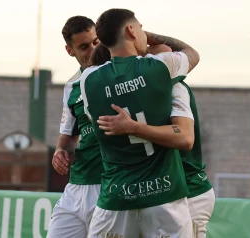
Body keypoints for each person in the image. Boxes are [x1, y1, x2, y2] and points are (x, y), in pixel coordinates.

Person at [80, 8, 200, 238]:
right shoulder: (161, 67)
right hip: (164, 196)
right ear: (131, 30)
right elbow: (191, 53)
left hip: (116, 198)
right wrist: (155, 38)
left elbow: (91, 117)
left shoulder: (88, 80)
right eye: (141, 28)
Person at [94, 44, 215, 238]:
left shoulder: (175, 88)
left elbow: (185, 138)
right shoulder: (142, 90)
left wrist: (133, 127)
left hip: (188, 189)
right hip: (158, 191)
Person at [46, 16, 103, 238]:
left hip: (108, 184)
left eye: (96, 42)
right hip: (76, 186)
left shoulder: (116, 75)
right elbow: (68, 137)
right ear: (70, 51)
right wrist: (60, 152)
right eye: (84, 46)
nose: (93, 49)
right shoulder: (71, 86)